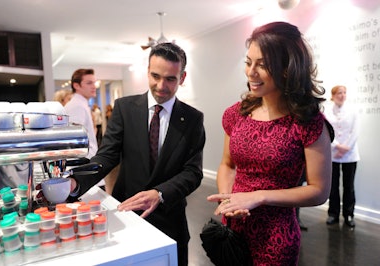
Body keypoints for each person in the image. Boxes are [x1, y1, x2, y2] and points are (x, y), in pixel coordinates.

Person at [67, 42, 206, 266]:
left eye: (170, 78)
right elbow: (107, 156)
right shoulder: (124, 108)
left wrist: (159, 193)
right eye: (155, 76)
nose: (161, 85)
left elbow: (193, 172)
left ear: (182, 77)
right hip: (127, 214)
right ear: (147, 71)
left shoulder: (192, 119)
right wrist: (75, 181)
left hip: (170, 218)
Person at [206, 22, 333, 265]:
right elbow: (227, 165)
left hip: (275, 237)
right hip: (232, 229)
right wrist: (228, 199)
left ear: (287, 68)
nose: (250, 72)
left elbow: (319, 191)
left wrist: (259, 196)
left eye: (262, 65)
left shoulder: (307, 122)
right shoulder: (236, 114)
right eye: (248, 62)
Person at [325, 85, 360, 228]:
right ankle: (333, 214)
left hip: (350, 154)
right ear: (333, 95)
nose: (342, 95)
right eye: (339, 93)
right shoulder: (326, 111)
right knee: (333, 186)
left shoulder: (353, 111)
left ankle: (349, 214)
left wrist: (346, 148)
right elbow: (326, 131)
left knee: (349, 186)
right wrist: (337, 146)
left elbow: (355, 131)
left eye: (344, 92)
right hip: (332, 154)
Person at [64, 69, 98, 159]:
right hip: (83, 162)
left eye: (94, 83)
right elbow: (76, 143)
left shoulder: (81, 104)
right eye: (89, 83)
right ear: (76, 85)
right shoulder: (77, 106)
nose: (94, 86)